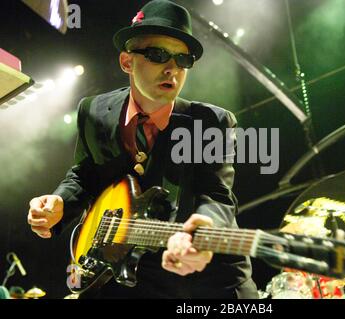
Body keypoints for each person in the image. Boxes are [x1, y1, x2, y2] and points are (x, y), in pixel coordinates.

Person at [27, 0, 258, 299]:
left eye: (183, 60)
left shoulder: (211, 122)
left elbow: (215, 196)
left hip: (208, 282)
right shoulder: (93, 111)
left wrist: (203, 230)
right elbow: (84, 174)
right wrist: (59, 202)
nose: (172, 69)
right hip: (127, 275)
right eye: (158, 54)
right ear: (126, 62)